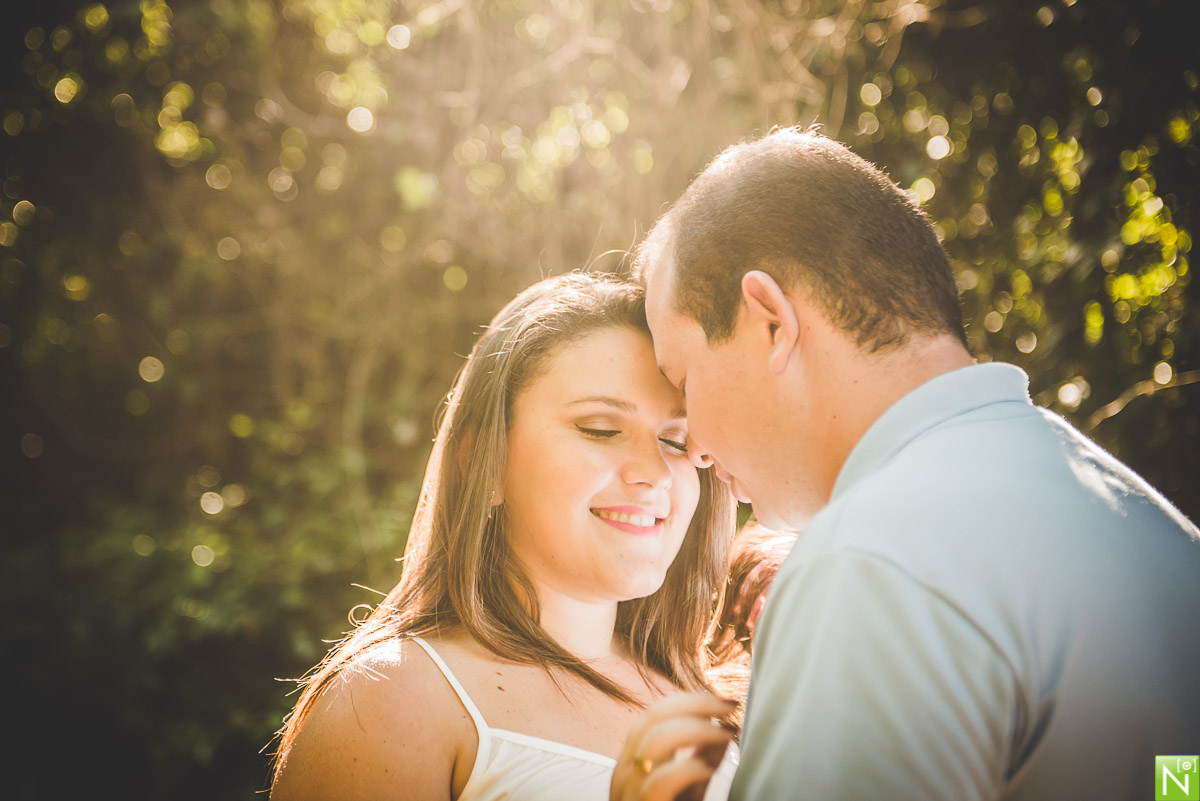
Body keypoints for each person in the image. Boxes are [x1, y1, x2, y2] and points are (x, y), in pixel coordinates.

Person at [635, 127, 1200, 800]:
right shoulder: (1155, 531)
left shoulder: (869, 563)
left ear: (770, 322)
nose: (693, 446)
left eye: (684, 378)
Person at [269, 273, 740, 801]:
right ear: (482, 464)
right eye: (601, 429)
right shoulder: (394, 697)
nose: (653, 471)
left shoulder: (721, 711)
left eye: (676, 441)